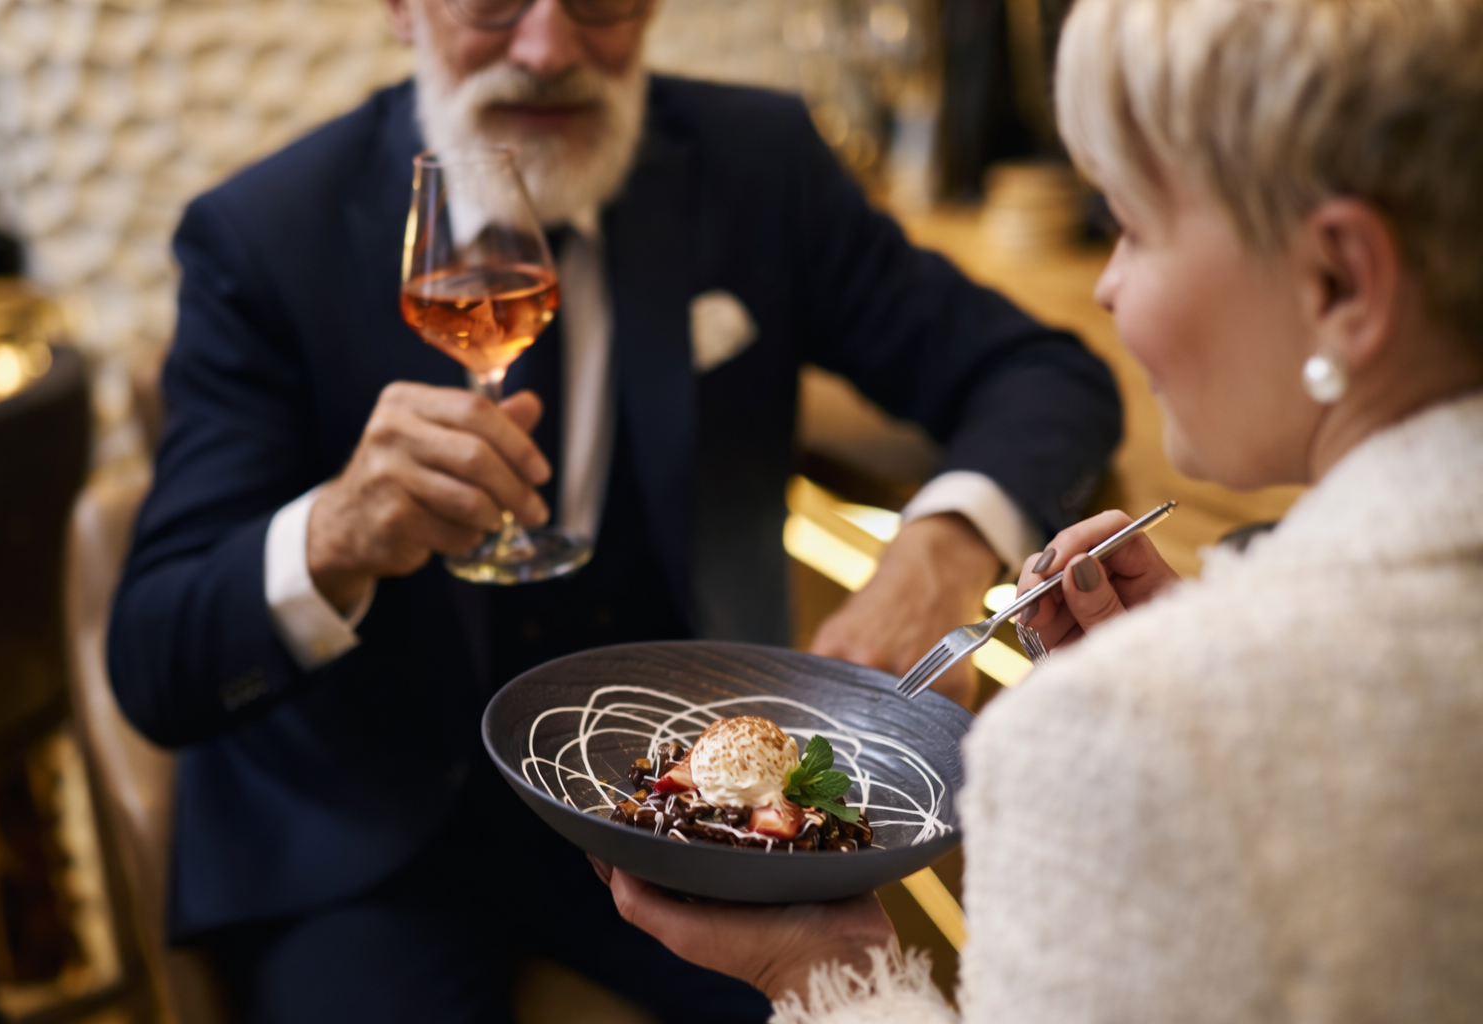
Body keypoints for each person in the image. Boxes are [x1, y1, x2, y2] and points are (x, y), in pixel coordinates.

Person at [106, 0, 1122, 1019]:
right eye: (495, 4)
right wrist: (333, 533)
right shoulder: (264, 234)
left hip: (669, 795)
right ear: (402, 10)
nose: (548, 51)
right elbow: (158, 655)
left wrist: (941, 550)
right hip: (369, 836)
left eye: (598, 3)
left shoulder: (757, 166)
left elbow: (1044, 375)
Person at [603, 0, 1483, 1020]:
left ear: (1342, 279)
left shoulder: (1106, 731)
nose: (1103, 286)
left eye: (1132, 226)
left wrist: (819, 967)